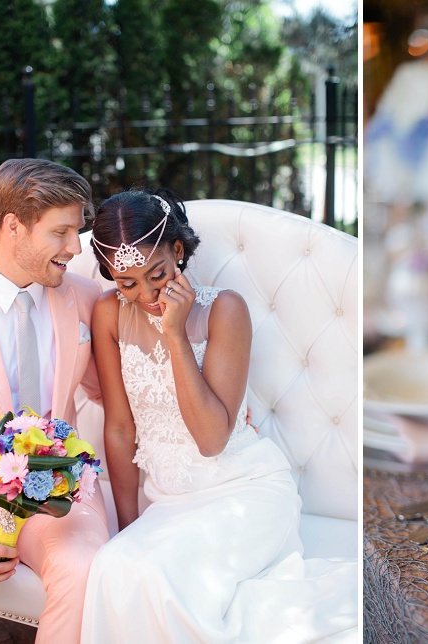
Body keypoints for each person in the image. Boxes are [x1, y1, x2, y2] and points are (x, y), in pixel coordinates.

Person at [80, 188, 357, 642]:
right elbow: (119, 426)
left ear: (177, 250)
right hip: (168, 504)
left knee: (159, 579)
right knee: (115, 564)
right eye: (127, 283)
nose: (147, 294)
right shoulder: (108, 314)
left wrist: (175, 335)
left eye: (157, 274)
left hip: (245, 491)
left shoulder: (225, 310)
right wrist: (126, 527)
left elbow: (211, 439)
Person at [0, 158, 110, 642]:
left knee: (87, 570)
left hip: (58, 487)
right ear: (14, 227)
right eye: (63, 232)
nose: (76, 248)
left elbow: (118, 394)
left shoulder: (88, 298)